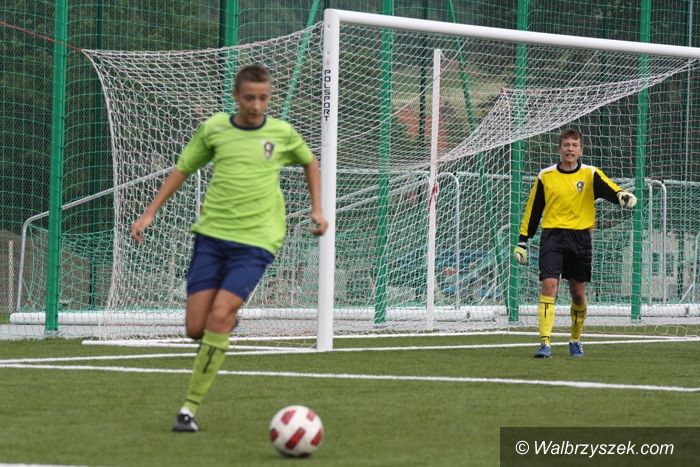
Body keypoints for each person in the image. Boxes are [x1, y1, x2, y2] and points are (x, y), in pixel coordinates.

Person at [130, 65, 328, 432]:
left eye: (263, 98)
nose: (256, 105)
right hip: (211, 238)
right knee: (195, 328)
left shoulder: (281, 134)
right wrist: (148, 213)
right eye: (249, 98)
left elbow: (309, 162)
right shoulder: (215, 129)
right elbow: (182, 169)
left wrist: (317, 209)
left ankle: (188, 409)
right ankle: (226, 320)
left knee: (218, 316)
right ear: (236, 96)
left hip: (257, 242)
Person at [513, 128, 636, 358]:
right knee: (549, 286)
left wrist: (622, 196)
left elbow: (610, 189)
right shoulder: (546, 175)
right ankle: (545, 343)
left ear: (581, 151)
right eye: (566, 145)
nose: (570, 149)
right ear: (559, 149)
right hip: (552, 236)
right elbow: (533, 210)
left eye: (574, 145)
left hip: (580, 238)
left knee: (578, 293)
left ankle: (575, 339)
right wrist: (522, 241)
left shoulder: (590, 173)